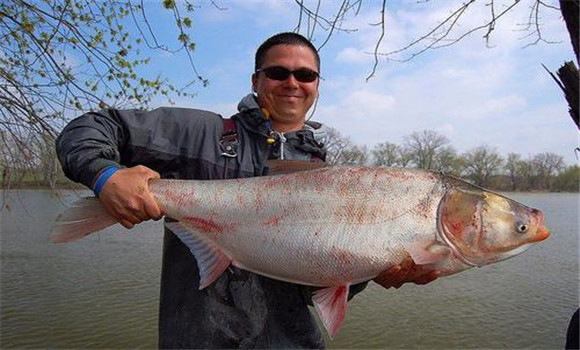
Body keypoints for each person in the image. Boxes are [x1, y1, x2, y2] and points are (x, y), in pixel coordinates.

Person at [56, 32, 439, 349]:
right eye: (278, 72)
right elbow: (91, 127)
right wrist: (105, 176)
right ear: (255, 81)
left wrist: (372, 272)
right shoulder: (199, 134)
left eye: (306, 75)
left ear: (317, 86)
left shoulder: (330, 177)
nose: (293, 83)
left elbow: (314, 286)